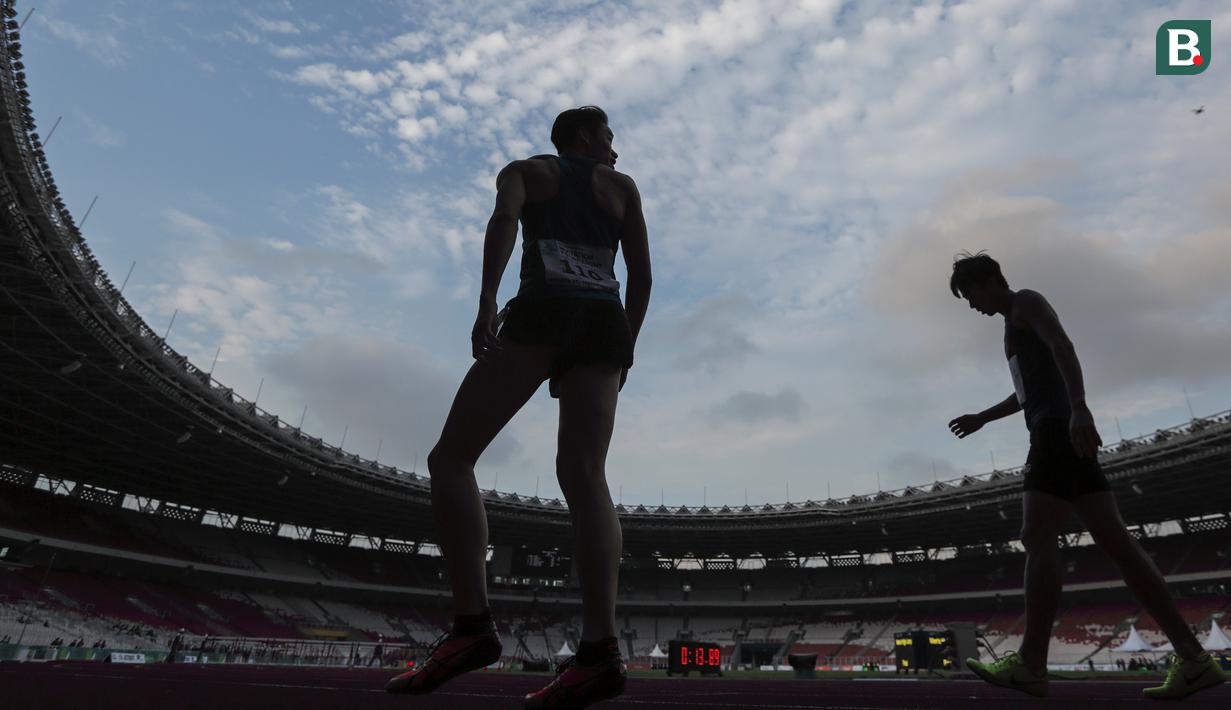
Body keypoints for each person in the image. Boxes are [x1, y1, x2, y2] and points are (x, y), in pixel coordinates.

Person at [384, 106, 651, 710]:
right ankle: (600, 652)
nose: (615, 147)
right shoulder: (623, 188)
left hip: (543, 310)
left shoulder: (524, 172)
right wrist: (625, 346)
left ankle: (472, 628)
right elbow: (641, 275)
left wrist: (485, 303)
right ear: (583, 135)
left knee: (451, 460)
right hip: (604, 321)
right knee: (585, 475)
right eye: (608, 136)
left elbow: (503, 222)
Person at [947, 252, 1225, 700]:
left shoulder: (1026, 303)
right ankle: (1195, 659)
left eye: (970, 295)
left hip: (1057, 430)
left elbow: (1063, 346)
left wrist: (1078, 408)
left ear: (988, 282)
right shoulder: (1010, 326)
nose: (971, 305)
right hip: (1057, 426)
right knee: (1118, 544)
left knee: (1036, 536)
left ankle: (1032, 664)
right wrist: (983, 416)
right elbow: (1026, 392)